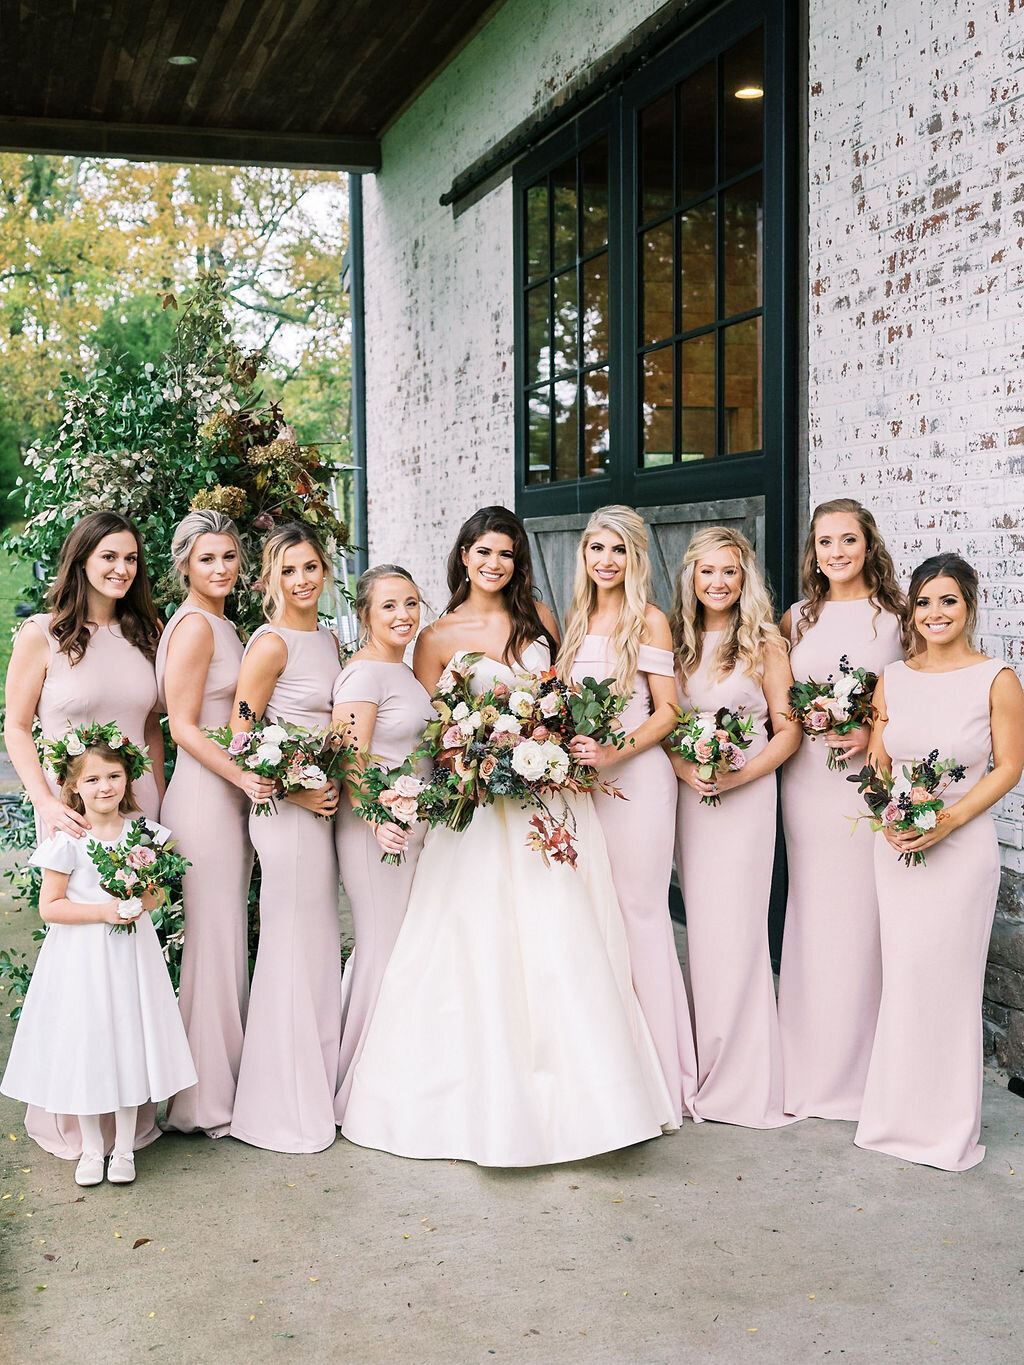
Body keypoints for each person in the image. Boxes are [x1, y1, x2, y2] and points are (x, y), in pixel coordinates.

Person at [341, 506, 676, 1166]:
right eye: (482, 551)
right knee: (476, 943)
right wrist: (470, 760)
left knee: (563, 937)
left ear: (517, 562)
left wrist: (546, 745)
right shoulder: (434, 636)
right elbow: (436, 730)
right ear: (463, 555)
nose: (494, 563)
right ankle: (477, 1098)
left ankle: (587, 1097)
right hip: (479, 808)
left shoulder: (542, 620)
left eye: (506, 554)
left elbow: (557, 700)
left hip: (547, 797)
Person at [3, 509, 165, 1160]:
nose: (122, 569)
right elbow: (15, 726)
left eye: (131, 558)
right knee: (77, 976)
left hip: (132, 824)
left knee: (131, 967)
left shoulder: (147, 633)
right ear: (81, 561)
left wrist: (152, 809)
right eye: (109, 558)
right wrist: (44, 800)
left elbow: (151, 729)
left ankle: (131, 1114)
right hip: (71, 826)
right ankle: (77, 1115)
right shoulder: (41, 636)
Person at [854, 553, 1024, 1170]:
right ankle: (895, 1120)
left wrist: (947, 819)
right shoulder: (893, 678)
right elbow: (878, 758)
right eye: (924, 602)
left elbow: (1008, 766)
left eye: (947, 601)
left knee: (950, 983)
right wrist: (887, 815)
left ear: (970, 606)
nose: (934, 614)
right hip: (896, 846)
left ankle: (946, 1129)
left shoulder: (996, 678)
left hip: (962, 846)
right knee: (904, 976)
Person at [1, 731, 196, 1185]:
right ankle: (92, 1149)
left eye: (114, 775)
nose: (104, 786)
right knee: (85, 1042)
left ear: (128, 778)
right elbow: (50, 907)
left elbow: (159, 893)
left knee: (130, 1039)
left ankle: (124, 1148)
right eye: (92, 779)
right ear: (74, 787)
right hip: (81, 958)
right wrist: (104, 911)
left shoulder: (145, 834)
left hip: (131, 956)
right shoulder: (68, 839)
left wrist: (140, 900)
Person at [557, 506, 699, 1127]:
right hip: (583, 788)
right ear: (583, 555)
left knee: (641, 914)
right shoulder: (575, 621)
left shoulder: (649, 621)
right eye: (596, 549)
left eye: (618, 550)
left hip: (637, 781)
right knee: (596, 914)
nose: (606, 561)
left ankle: (665, 1073)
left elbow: (669, 711)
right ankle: (614, 1067)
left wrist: (615, 750)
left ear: (635, 558)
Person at [669, 526, 801, 1128]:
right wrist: (686, 766)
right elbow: (664, 727)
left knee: (741, 932)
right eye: (707, 572)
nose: (718, 583)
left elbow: (788, 730)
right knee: (704, 932)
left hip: (745, 800)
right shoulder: (677, 644)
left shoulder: (766, 644)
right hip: (692, 801)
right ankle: (703, 1064)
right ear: (690, 579)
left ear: (744, 579)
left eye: (729, 572)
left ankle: (745, 1079)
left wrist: (739, 776)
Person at [777, 498, 905, 1120]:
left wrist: (870, 735)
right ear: (813, 552)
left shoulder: (899, 618)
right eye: (824, 542)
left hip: (865, 783)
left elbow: (917, 695)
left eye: (847, 540)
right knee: (812, 915)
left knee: (862, 918)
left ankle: (864, 1069)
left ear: (868, 544)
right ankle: (807, 1064)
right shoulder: (797, 619)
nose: (836, 553)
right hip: (807, 784)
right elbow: (775, 701)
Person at [157, 510, 274, 1138]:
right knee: (214, 944)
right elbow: (181, 727)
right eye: (208, 559)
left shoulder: (225, 624)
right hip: (205, 798)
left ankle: (221, 1086)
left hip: (225, 794)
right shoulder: (198, 628)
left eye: (229, 556)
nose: (222, 568)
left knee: (225, 941)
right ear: (185, 565)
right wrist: (243, 777)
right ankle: (203, 1103)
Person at [227, 523, 343, 1154]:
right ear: (269, 579)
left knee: (319, 944)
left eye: (310, 568)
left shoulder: (327, 638)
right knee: (291, 946)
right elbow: (239, 740)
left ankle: (316, 1085)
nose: (302, 581)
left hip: (319, 810)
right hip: (284, 812)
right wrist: (293, 789)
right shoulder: (270, 645)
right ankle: (279, 1106)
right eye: (288, 570)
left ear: (324, 570)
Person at [332, 565, 435, 1123]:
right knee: (381, 948)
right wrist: (376, 819)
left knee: (401, 949)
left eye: (412, 603)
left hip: (411, 827)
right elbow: (351, 756)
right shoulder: (364, 676)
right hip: (377, 831)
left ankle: (392, 1074)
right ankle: (358, 1086)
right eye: (390, 606)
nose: (403, 615)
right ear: (366, 614)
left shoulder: (404, 672)